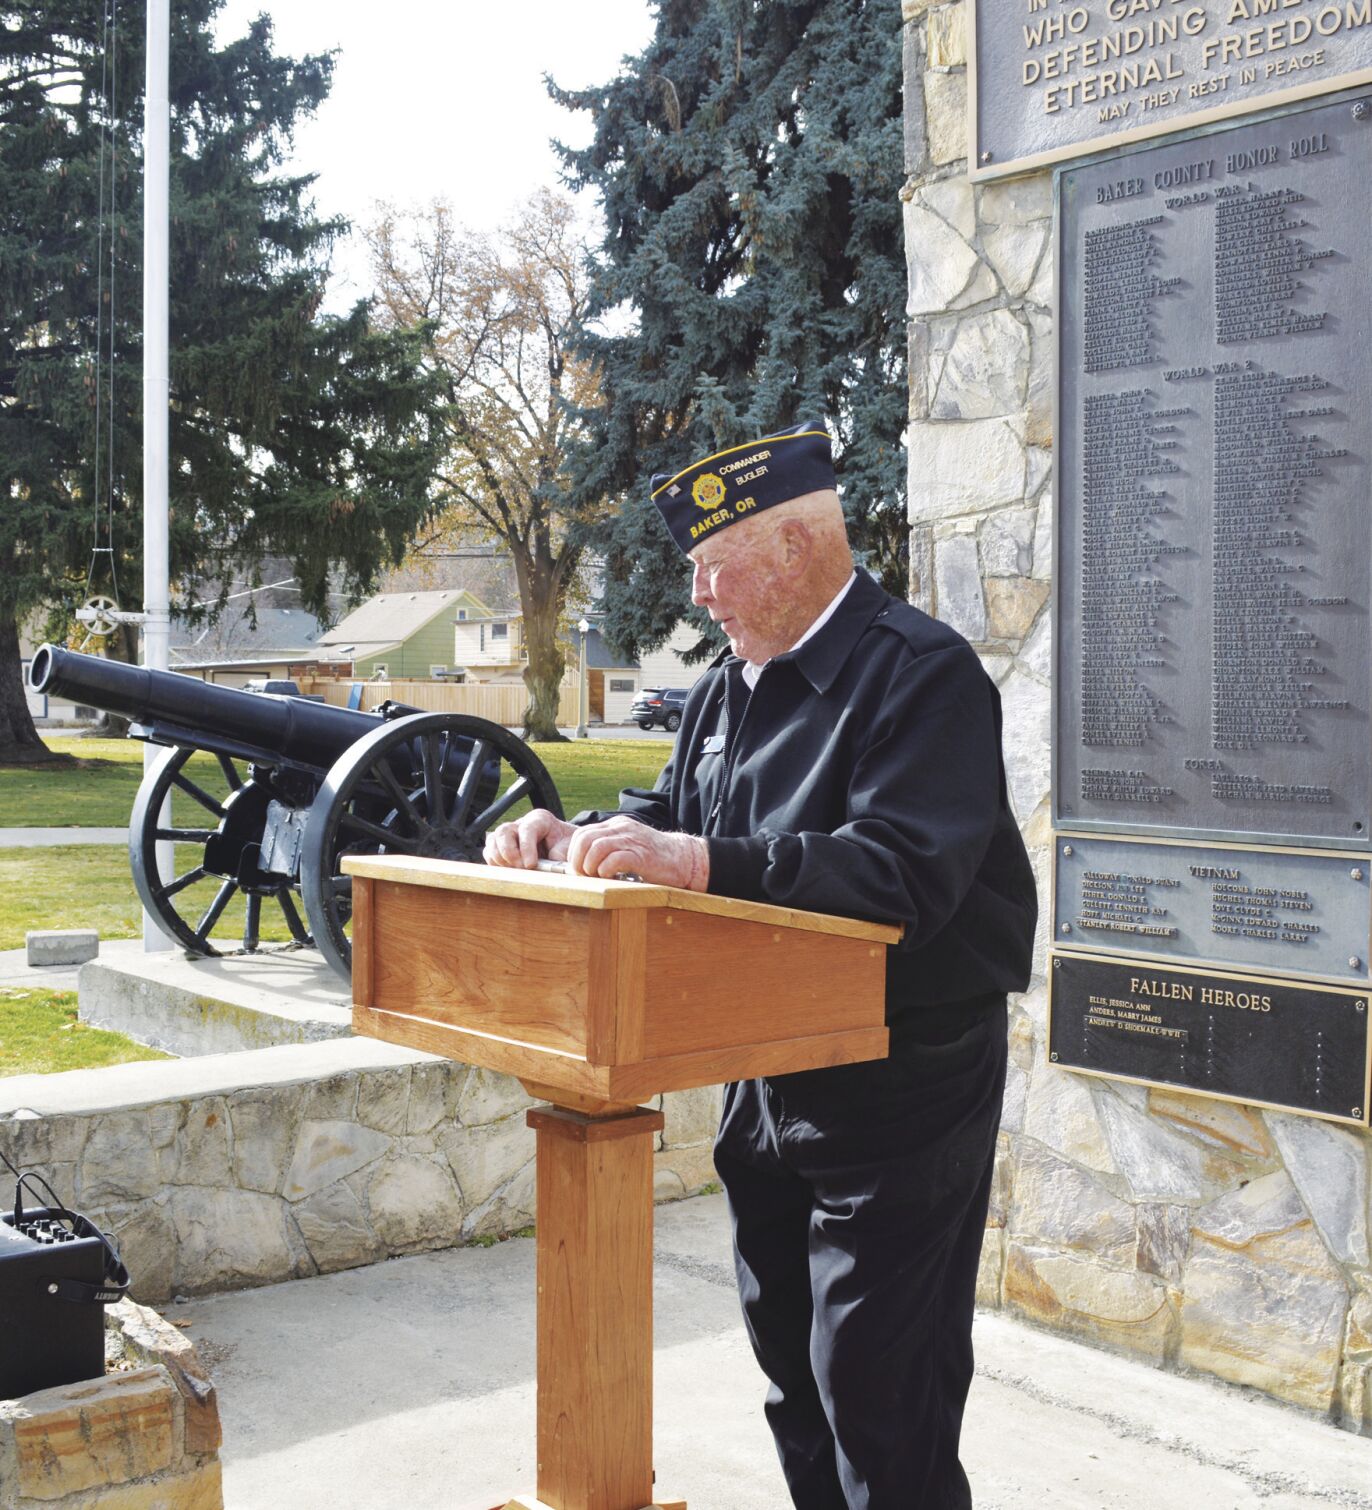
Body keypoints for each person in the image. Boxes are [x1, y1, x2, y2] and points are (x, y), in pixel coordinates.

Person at [485, 419, 1037, 1510]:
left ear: (791, 548)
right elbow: (673, 814)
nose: (698, 594)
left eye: (710, 564)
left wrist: (692, 862)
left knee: (882, 1393)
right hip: (765, 1071)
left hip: (900, 1082)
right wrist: (567, 831)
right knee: (793, 1375)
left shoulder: (921, 675)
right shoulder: (734, 681)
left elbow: (901, 876)